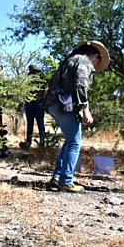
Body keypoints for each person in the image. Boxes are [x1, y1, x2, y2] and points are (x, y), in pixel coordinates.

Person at [45, 41, 110, 192]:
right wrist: (85, 109)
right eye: (98, 60)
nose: (96, 64)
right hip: (63, 105)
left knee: (69, 141)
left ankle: (57, 177)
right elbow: (80, 85)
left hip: (53, 103)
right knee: (75, 142)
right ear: (94, 55)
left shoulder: (70, 60)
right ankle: (66, 181)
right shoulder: (84, 61)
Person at [19, 64, 46, 150]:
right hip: (32, 104)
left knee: (37, 124)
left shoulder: (40, 81)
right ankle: (33, 142)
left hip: (37, 104)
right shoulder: (28, 81)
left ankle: (40, 142)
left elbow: (44, 92)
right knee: (36, 124)